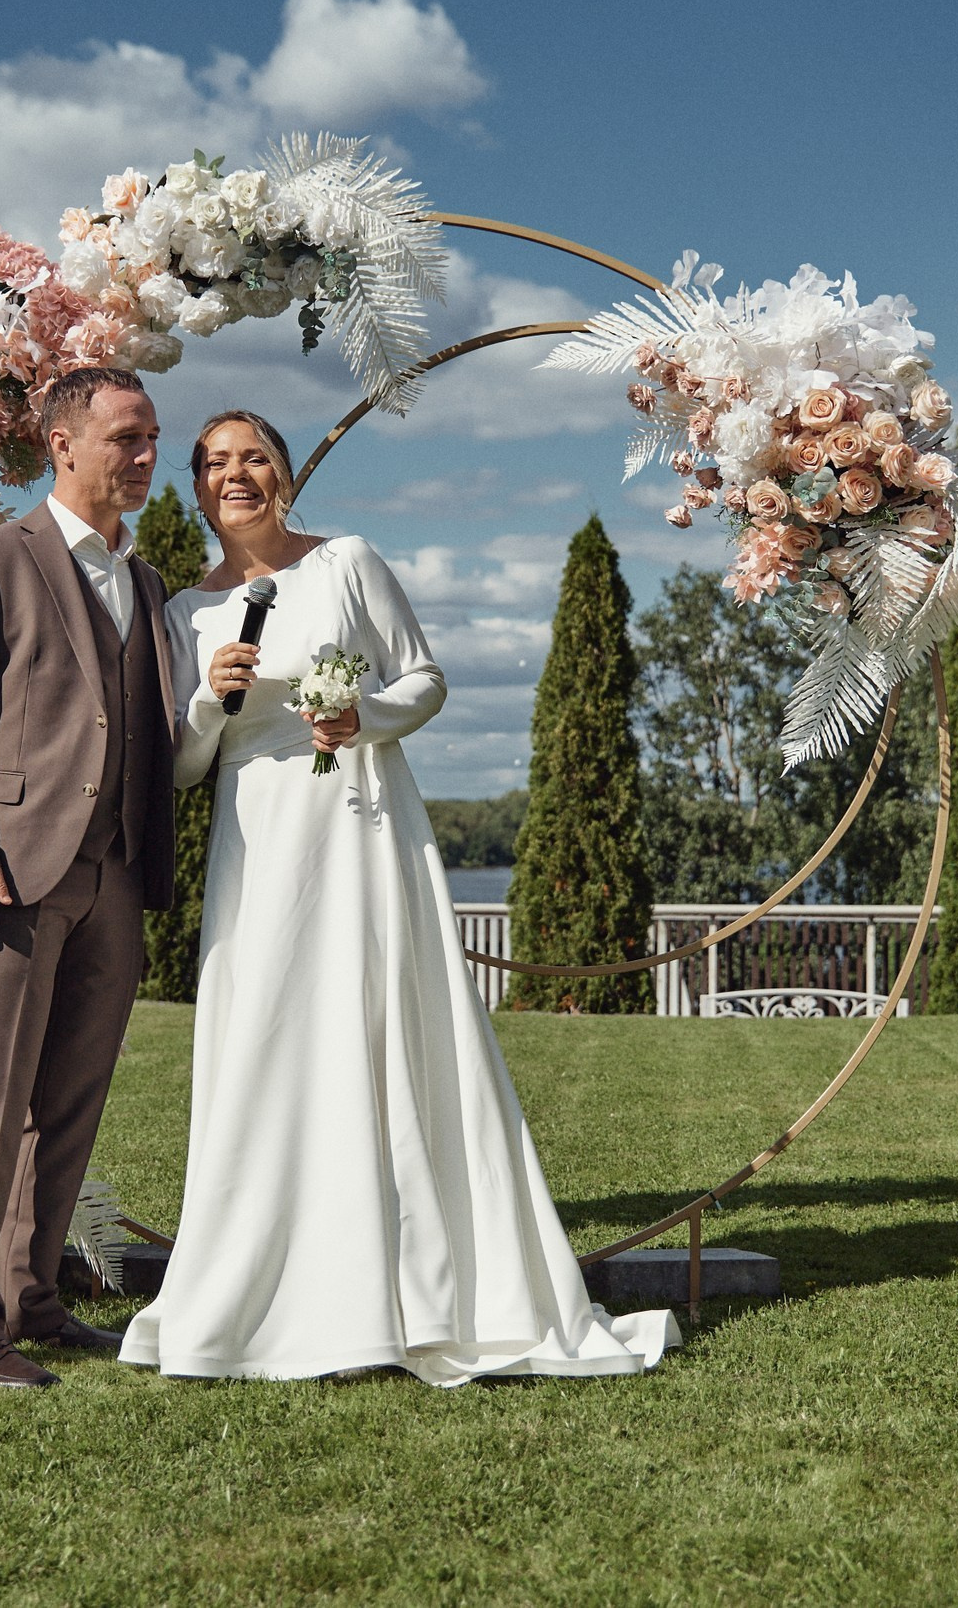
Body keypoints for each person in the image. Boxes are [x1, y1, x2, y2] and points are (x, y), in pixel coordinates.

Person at [118, 410, 678, 1383]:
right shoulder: (182, 613)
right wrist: (210, 701)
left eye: (255, 457)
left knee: (378, 1029)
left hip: (363, 829)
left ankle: (415, 1280)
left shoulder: (347, 563)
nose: (234, 474)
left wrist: (362, 715)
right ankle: (263, 1286)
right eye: (214, 463)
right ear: (196, 487)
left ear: (286, 475)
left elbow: (423, 682)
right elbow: (179, 771)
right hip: (259, 848)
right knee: (264, 1043)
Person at [0, 365, 180, 1389]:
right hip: (10, 876)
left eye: (153, 436)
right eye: (126, 437)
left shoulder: (145, 582)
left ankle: (28, 1296)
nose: (147, 456)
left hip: (111, 876)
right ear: (62, 443)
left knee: (68, 1102)